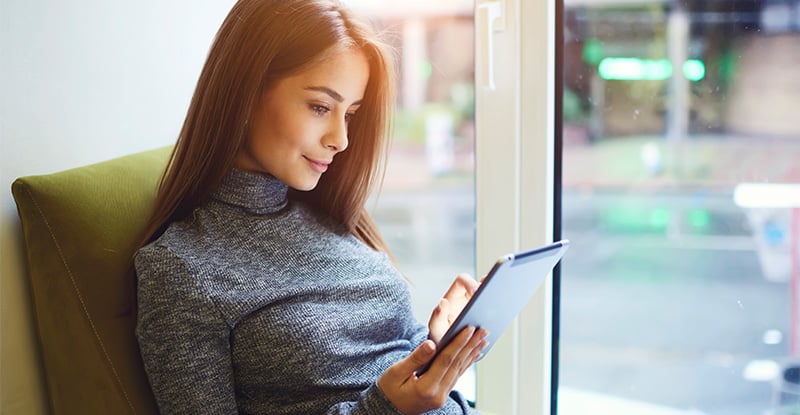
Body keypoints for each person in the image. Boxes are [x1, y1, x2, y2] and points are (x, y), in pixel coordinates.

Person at [133, 0, 488, 414]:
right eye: (320, 107)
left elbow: (396, 360)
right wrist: (381, 409)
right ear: (246, 94)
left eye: (350, 114)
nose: (341, 139)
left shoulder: (331, 216)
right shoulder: (181, 269)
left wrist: (440, 348)